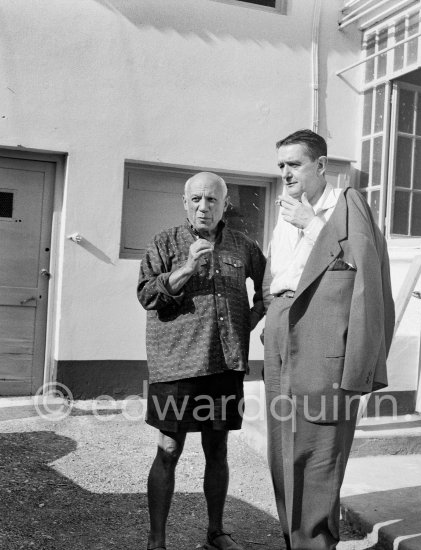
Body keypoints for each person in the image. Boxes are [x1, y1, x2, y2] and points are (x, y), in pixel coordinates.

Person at [262, 130, 395, 549]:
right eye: (281, 165)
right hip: (282, 331)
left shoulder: (346, 205)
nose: (285, 173)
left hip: (323, 338)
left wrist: (313, 225)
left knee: (320, 451)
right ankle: (295, 540)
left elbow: (364, 269)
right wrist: (272, 316)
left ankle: (316, 544)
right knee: (282, 449)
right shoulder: (284, 211)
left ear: (321, 166)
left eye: (294, 164)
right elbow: (277, 274)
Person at [137, 172, 266, 550]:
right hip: (176, 365)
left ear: (225, 204)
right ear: (184, 202)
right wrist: (187, 269)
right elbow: (147, 295)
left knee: (218, 450)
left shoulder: (243, 246)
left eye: (211, 200)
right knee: (169, 450)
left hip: (225, 364)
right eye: (195, 199)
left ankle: (216, 532)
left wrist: (250, 320)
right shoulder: (165, 242)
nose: (203, 207)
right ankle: (156, 541)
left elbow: (269, 286)